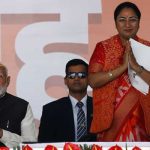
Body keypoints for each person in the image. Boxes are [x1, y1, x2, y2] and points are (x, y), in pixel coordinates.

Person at [88, 2, 150, 141]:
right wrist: (122, 68)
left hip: (143, 125)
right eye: (122, 20)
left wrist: (137, 68)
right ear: (115, 23)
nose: (127, 24)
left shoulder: (148, 48)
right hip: (110, 126)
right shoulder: (103, 47)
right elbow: (93, 81)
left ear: (139, 22)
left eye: (132, 19)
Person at [38, 58, 96, 142]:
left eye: (81, 75)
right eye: (72, 75)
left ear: (88, 79)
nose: (76, 79)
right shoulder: (51, 110)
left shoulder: (99, 106)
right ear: (65, 80)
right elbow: (44, 143)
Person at [0, 63, 37, 147]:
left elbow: (30, 144)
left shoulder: (21, 106)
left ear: (8, 80)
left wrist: (2, 134)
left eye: (0, 76)